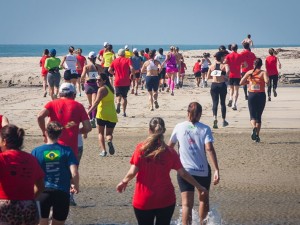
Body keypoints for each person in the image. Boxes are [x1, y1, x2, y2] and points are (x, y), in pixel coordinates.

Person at [116, 117, 207, 225]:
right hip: (165, 199)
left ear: (149, 130)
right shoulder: (170, 152)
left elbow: (132, 172)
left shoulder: (141, 149)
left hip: (144, 200)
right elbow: (183, 173)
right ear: (163, 131)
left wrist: (124, 182)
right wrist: (199, 186)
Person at [168, 102, 220, 224]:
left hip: (184, 171)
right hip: (202, 171)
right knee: (203, 200)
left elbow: (170, 148)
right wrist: (217, 169)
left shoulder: (179, 127)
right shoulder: (205, 128)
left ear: (187, 113)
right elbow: (209, 149)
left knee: (187, 205)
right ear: (200, 114)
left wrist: (169, 165)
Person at [32, 121, 79, 224]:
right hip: (61, 193)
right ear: (60, 134)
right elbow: (74, 172)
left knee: (42, 222)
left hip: (42, 192)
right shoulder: (67, 150)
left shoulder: (36, 151)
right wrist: (75, 185)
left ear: (46, 132)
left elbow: (32, 174)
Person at [0, 124, 45, 225]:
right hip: (29, 208)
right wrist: (28, 198)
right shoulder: (31, 159)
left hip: (5, 208)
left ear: (4, 141)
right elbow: (41, 186)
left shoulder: (2, 158)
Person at [87, 73, 118, 157]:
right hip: (112, 114)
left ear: (104, 80)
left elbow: (96, 102)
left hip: (102, 114)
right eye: (96, 80)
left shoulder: (102, 89)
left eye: (99, 80)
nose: (97, 81)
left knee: (100, 133)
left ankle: (104, 151)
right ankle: (109, 141)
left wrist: (88, 112)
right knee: (109, 134)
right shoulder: (111, 88)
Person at [240, 58, 269, 143]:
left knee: (252, 115)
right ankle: (257, 136)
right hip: (261, 95)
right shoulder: (263, 72)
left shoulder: (249, 72)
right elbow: (267, 81)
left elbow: (241, 82)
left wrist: (249, 82)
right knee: (258, 116)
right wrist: (265, 81)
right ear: (261, 65)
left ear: (253, 64)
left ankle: (254, 128)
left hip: (252, 95)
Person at [108, 49, 134, 117]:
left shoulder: (115, 61)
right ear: (124, 54)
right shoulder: (127, 60)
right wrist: (132, 74)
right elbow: (131, 68)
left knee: (118, 95)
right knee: (124, 97)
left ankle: (118, 103)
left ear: (118, 54)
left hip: (117, 80)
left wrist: (114, 73)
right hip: (126, 81)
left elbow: (109, 70)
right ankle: (124, 112)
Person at [207, 52, 229, 128]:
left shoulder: (212, 66)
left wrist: (214, 75)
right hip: (222, 84)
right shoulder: (225, 65)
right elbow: (228, 72)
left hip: (214, 85)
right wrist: (225, 76)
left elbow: (208, 77)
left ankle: (215, 118)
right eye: (224, 57)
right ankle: (223, 121)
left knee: (215, 103)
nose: (225, 58)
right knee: (223, 103)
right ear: (222, 57)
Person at [81, 51, 103, 128]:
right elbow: (103, 75)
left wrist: (82, 84)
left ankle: (91, 119)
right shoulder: (99, 66)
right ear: (95, 58)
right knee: (94, 104)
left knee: (91, 103)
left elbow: (83, 76)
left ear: (89, 58)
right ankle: (93, 118)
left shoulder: (86, 67)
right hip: (95, 85)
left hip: (88, 85)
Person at [224, 43, 246, 110]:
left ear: (231, 48)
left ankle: (230, 98)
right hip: (237, 75)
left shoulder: (228, 56)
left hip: (230, 74)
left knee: (231, 88)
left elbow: (225, 63)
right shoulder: (240, 56)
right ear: (237, 48)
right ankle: (234, 104)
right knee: (236, 90)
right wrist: (241, 66)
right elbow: (245, 65)